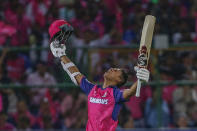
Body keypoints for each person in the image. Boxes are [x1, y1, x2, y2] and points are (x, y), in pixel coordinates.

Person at [48, 19, 150, 131]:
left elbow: (130, 92)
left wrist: (140, 80)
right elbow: (76, 74)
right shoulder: (93, 89)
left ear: (119, 80)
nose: (111, 69)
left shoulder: (116, 95)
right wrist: (62, 55)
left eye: (116, 70)